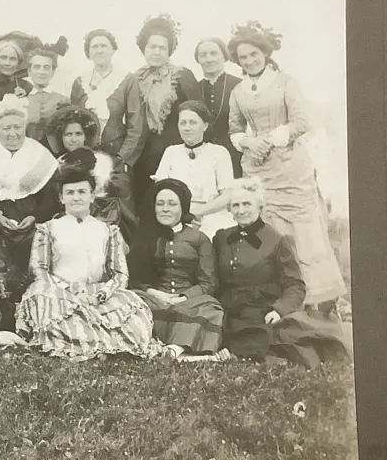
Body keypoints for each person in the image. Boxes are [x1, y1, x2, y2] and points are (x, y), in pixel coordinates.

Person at [226, 22, 346, 309]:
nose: (249, 61)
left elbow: (301, 122)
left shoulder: (285, 82)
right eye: (243, 57)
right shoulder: (238, 91)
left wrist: (269, 140)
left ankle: (314, 300)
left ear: (265, 53)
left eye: (254, 54)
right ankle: (279, 300)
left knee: (302, 232)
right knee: (269, 232)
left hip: (290, 165)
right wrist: (249, 142)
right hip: (257, 168)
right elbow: (234, 129)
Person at [15, 165, 159, 360]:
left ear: (92, 196)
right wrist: (70, 292)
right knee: (46, 307)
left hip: (97, 293)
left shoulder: (108, 230)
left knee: (135, 318)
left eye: (82, 192)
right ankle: (96, 342)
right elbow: (39, 270)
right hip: (58, 293)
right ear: (61, 198)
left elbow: (120, 273)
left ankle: (92, 341)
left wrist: (101, 295)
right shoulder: (48, 229)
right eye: (70, 193)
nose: (76, 197)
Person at [214, 178, 348, 367]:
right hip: (227, 303)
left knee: (260, 330)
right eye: (235, 205)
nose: (241, 210)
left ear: (260, 206)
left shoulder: (277, 240)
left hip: (260, 304)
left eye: (247, 204)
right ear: (229, 209)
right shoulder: (222, 237)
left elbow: (295, 285)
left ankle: (236, 353)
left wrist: (279, 310)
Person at [0, 95, 61, 316]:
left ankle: (31, 300)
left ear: (25, 127)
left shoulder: (40, 154)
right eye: (6, 128)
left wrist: (36, 217)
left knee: (36, 242)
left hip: (31, 218)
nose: (12, 133)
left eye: (17, 127)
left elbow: (51, 195)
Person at [103, 13, 202, 193]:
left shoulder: (182, 76)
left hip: (175, 153)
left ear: (169, 51)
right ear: (144, 49)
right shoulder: (135, 78)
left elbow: (199, 116)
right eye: (152, 47)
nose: (157, 52)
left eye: (162, 48)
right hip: (141, 156)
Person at [135, 178, 226, 358]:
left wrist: (183, 297)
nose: (165, 209)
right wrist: (156, 294)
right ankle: (153, 344)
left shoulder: (199, 238)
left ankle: (174, 349)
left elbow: (208, 282)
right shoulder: (144, 236)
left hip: (189, 300)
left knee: (211, 309)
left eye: (172, 204)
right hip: (154, 297)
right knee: (132, 303)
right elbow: (136, 278)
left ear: (183, 207)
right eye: (160, 204)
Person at [152, 100, 235, 238]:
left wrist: (196, 212)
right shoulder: (171, 152)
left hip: (212, 215)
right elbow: (160, 192)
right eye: (182, 123)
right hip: (177, 216)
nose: (187, 128)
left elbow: (227, 196)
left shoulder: (219, 152)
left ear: (205, 126)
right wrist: (182, 215)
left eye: (193, 122)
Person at [193, 35, 243, 176]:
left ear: (224, 56)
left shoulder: (239, 85)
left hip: (234, 155)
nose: (208, 59)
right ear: (198, 59)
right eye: (203, 55)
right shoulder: (193, 88)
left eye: (213, 53)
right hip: (202, 157)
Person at [69, 28, 123, 137]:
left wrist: (124, 149)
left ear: (113, 50)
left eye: (104, 46)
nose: (99, 51)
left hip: (117, 145)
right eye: (94, 47)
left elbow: (136, 127)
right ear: (88, 52)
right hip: (86, 145)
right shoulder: (80, 82)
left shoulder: (125, 80)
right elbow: (73, 123)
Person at [22, 47, 65, 140]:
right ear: (29, 71)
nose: (41, 72)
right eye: (37, 67)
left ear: (52, 72)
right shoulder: (20, 98)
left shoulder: (62, 100)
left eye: (46, 67)